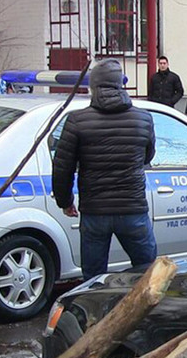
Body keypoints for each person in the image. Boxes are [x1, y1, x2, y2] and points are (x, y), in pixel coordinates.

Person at [51, 59, 157, 280]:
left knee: (93, 277)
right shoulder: (143, 119)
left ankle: (94, 313)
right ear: (120, 85)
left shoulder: (77, 121)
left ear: (94, 86)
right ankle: (147, 313)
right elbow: (148, 156)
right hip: (133, 208)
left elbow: (63, 168)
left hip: (94, 212)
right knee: (147, 273)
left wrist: (65, 201)